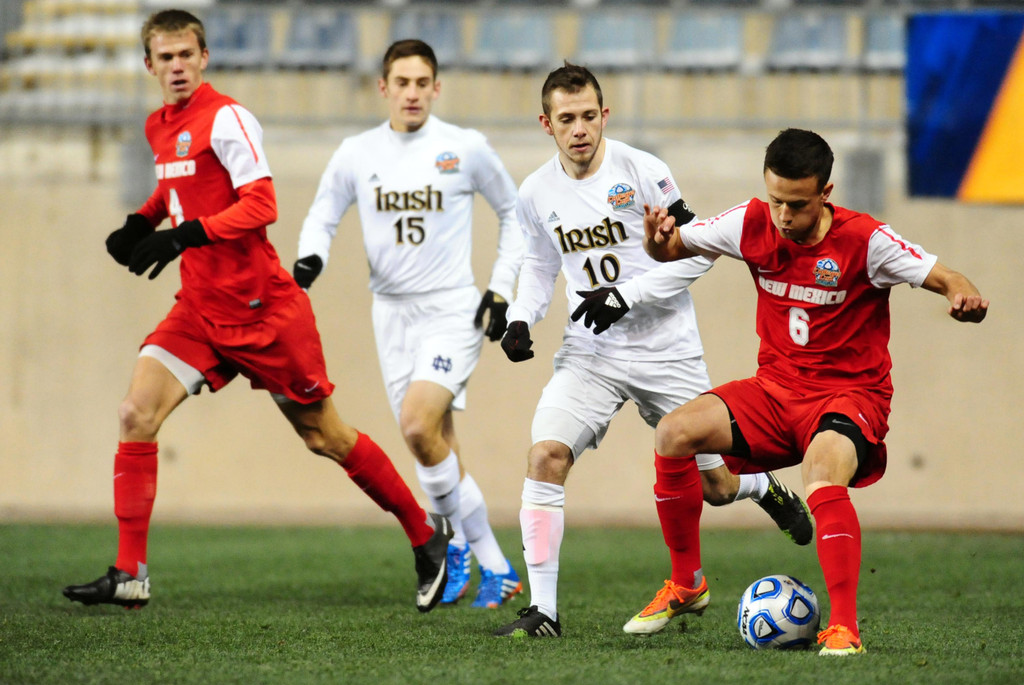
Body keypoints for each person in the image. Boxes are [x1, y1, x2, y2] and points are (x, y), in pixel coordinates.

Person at [62, 10, 452, 614]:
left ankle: (425, 534)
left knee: (325, 436)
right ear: (149, 65)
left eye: (186, 55)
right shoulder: (158, 125)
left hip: (262, 311)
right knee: (136, 412)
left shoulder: (227, 118)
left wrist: (182, 235)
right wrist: (141, 221)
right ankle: (130, 572)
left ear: (204, 57)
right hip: (199, 309)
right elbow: (177, 188)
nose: (177, 67)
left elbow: (261, 204)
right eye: (165, 57)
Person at [639, 127, 989, 655]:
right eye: (775, 199)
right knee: (673, 433)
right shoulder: (750, 222)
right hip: (774, 390)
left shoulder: (866, 240)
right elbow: (669, 249)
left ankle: (844, 628)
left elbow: (948, 277)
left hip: (849, 396)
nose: (783, 215)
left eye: (797, 204)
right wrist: (654, 239)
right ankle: (687, 584)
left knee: (821, 472)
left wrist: (964, 296)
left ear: (825, 193)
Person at [492, 63, 812, 639]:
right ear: (547, 124)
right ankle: (543, 612)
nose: (579, 129)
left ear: (604, 115)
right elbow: (540, 266)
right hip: (590, 353)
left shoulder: (643, 171)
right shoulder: (535, 192)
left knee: (716, 488)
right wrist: (520, 317)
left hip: (667, 350)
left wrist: (627, 294)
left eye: (588, 116)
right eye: (566, 119)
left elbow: (697, 250)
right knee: (545, 457)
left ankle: (761, 485)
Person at [293, 40, 523, 608]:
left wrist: (501, 288)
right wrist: (310, 257)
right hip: (390, 314)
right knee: (435, 442)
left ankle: (471, 553)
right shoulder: (357, 152)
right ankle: (484, 561)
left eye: (423, 83)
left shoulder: (464, 148)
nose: (413, 93)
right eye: (402, 82)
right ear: (384, 88)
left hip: (451, 309)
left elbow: (515, 213)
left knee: (417, 426)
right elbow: (322, 213)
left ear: (437, 88)